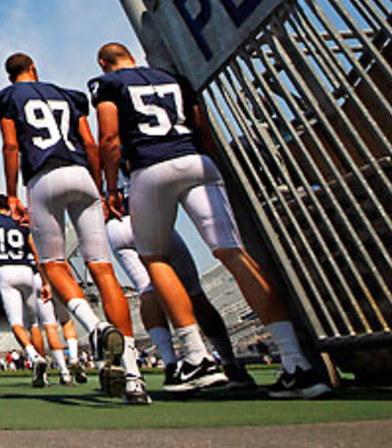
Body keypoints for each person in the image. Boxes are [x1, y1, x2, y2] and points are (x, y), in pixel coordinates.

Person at [89, 42, 329, 399]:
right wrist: (209, 164)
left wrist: (110, 186)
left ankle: (197, 356)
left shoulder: (109, 84)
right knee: (233, 253)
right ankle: (296, 362)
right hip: (195, 160)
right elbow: (203, 128)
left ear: (104, 64)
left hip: (150, 165)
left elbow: (109, 137)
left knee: (154, 259)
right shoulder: (176, 79)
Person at [0, 52, 151, 405]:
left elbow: (11, 144)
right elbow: (91, 143)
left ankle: (96, 328)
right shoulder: (69, 95)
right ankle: (134, 376)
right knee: (103, 268)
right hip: (81, 174)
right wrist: (103, 186)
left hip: (44, 176)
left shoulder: (6, 98)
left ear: (10, 74)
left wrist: (12, 194)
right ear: (34, 68)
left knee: (54, 265)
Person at [103, 180, 256, 390]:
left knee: (146, 292)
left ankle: (170, 365)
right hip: (143, 212)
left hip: (114, 224)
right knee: (193, 291)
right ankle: (229, 364)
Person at [0, 194, 52, 387]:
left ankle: (34, 357)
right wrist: (45, 281)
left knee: (16, 322)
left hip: (6, 270)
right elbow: (35, 252)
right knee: (34, 324)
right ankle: (43, 374)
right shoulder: (20, 223)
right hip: (26, 270)